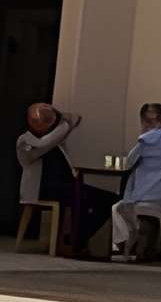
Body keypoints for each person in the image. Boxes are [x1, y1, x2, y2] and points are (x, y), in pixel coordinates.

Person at [17, 102, 114, 256]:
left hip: (64, 185)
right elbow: (44, 144)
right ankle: (75, 242)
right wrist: (64, 124)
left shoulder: (56, 137)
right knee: (79, 195)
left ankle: (76, 238)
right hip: (41, 189)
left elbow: (74, 118)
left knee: (109, 199)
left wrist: (62, 121)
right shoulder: (26, 141)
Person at [110, 103, 161, 263]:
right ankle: (144, 247)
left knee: (118, 208)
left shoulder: (146, 141)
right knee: (141, 215)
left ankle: (125, 244)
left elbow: (128, 163)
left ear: (144, 121)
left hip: (147, 194)